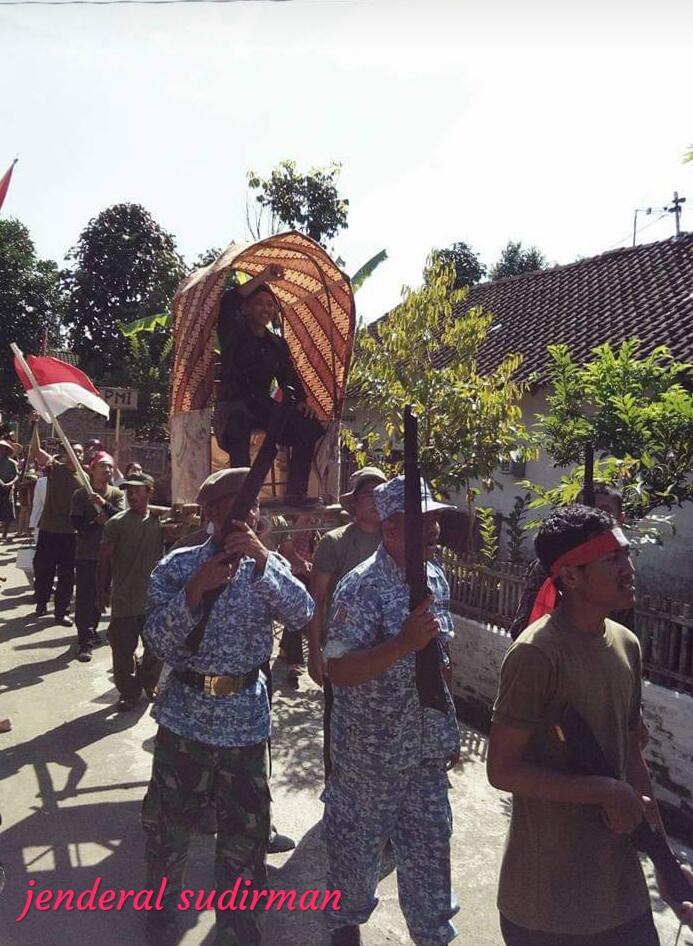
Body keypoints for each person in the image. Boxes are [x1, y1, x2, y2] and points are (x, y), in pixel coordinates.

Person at [487, 504, 693, 946]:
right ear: (572, 577)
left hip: (621, 894)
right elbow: (501, 770)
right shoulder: (536, 654)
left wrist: (665, 864)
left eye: (625, 554)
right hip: (547, 904)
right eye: (612, 559)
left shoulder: (627, 644)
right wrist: (603, 791)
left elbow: (631, 757)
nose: (628, 568)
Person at [141, 467, 314, 945]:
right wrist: (195, 590)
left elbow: (303, 613)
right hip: (185, 720)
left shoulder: (268, 564)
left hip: (245, 723)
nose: (249, 514)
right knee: (167, 830)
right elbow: (155, 640)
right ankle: (160, 911)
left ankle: (238, 925)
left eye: (253, 505)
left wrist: (263, 566)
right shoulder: (178, 566)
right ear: (211, 513)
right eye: (236, 505)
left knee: (246, 837)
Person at [322, 474, 461, 946]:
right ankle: (345, 923)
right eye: (425, 522)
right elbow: (337, 669)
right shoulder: (360, 588)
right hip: (370, 758)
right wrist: (402, 643)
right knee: (355, 853)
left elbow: (442, 658)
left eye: (436, 519)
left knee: (430, 850)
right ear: (392, 529)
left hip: (423, 752)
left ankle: (433, 932)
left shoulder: (437, 578)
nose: (437, 530)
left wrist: (448, 727)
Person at [213, 264, 325, 505]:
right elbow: (231, 299)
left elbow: (288, 377)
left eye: (269, 304)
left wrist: (302, 402)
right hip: (235, 404)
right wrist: (264, 276)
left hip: (263, 406)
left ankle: (296, 493)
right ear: (247, 309)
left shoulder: (277, 344)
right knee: (237, 426)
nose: (265, 309)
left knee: (307, 426)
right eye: (259, 303)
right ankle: (242, 496)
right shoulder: (233, 333)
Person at [305, 465, 387, 776]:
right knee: (339, 724)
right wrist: (314, 652)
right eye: (368, 494)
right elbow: (316, 600)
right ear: (353, 502)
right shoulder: (335, 542)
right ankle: (335, 786)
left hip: (384, 652)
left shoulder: (393, 540)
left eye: (380, 493)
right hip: (342, 654)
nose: (375, 500)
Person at [508, 483, 624, 640]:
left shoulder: (621, 571)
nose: (595, 520)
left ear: (621, 519)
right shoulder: (549, 567)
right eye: (586, 510)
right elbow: (523, 625)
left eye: (605, 512)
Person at [97, 473, 164, 710]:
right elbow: (103, 560)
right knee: (123, 650)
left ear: (150, 493)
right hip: (124, 599)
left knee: (156, 647)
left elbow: (188, 522)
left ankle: (149, 682)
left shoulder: (159, 521)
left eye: (138, 490)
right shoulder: (116, 523)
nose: (132, 495)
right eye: (129, 491)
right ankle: (128, 691)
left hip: (153, 600)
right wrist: (101, 591)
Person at [70, 452, 125, 662]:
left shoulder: (117, 494)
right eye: (103, 466)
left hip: (109, 556)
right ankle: (84, 641)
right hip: (86, 555)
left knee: (100, 597)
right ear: (92, 469)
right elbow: (76, 524)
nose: (107, 470)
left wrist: (103, 503)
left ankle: (92, 630)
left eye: (110, 467)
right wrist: (95, 522)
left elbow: (119, 518)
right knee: (84, 598)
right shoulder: (80, 495)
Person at [33, 441, 84, 625]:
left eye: (80, 453)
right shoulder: (55, 468)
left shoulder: (85, 478)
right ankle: (41, 601)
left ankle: (62, 611)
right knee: (43, 570)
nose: (78, 455)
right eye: (74, 452)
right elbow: (36, 451)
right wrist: (35, 425)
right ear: (65, 454)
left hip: (70, 534)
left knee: (67, 575)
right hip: (49, 530)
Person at [0, 440, 19, 541]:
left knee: (8, 513)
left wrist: (10, 484)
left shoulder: (12, 463)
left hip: (8, 490)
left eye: (3, 448)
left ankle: (5, 534)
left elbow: (16, 476)